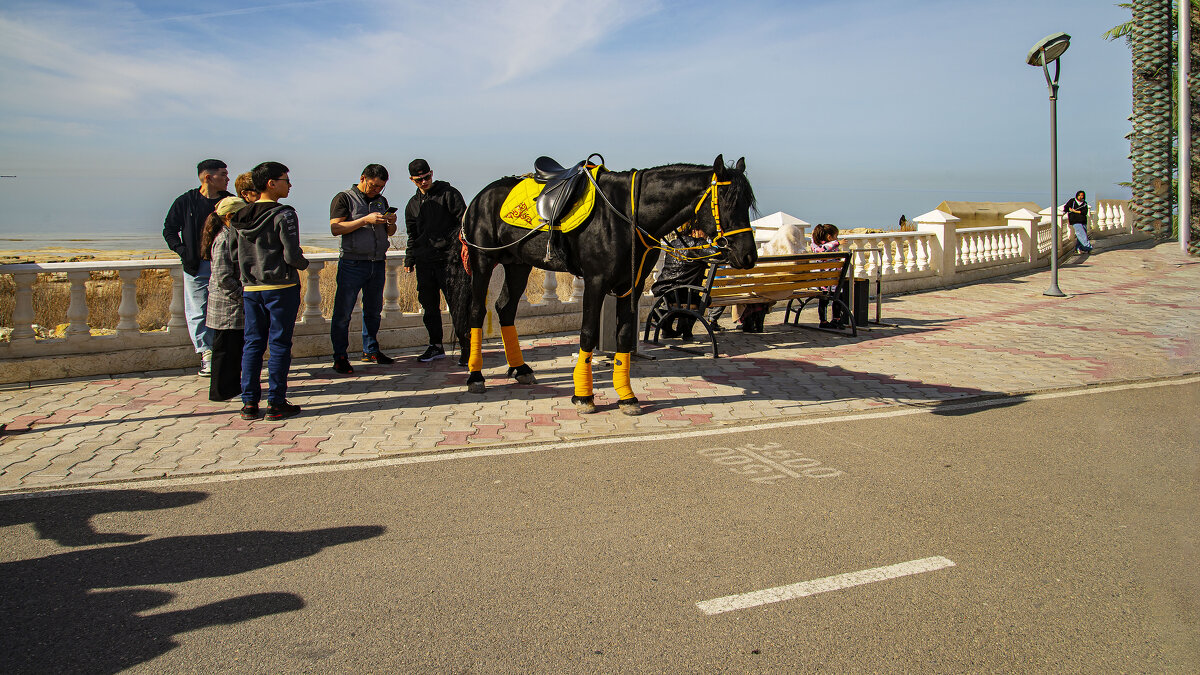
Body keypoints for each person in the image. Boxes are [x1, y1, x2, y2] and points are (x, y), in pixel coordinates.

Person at [230, 162, 309, 421]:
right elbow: (291, 254)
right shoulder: (284, 214)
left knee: (252, 344)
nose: (290, 184)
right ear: (271, 184)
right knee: (279, 344)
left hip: (251, 287)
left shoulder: (240, 216)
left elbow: (233, 254)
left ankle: (249, 403)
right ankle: (276, 402)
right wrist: (303, 264)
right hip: (281, 286)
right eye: (286, 179)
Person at [163, 159, 232, 375]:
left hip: (226, 265)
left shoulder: (230, 202)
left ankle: (226, 354)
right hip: (196, 266)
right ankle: (207, 354)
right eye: (223, 174)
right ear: (208, 177)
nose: (228, 178)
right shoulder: (186, 201)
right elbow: (169, 230)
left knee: (228, 309)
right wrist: (184, 252)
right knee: (198, 310)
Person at [328, 164, 398, 374]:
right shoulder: (344, 198)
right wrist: (364, 220)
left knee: (374, 311)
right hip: (352, 263)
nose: (376, 190)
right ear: (363, 178)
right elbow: (335, 228)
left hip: (377, 263)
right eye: (374, 185)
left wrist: (391, 222)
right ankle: (340, 356)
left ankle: (371, 349)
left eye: (380, 187)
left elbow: (391, 232)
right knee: (343, 313)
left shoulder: (381, 201)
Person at [404, 159, 466, 362]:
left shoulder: (449, 194)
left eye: (427, 177)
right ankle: (436, 346)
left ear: (432, 173)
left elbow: (464, 224)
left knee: (457, 305)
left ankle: (467, 348)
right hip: (424, 262)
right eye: (419, 179)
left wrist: (460, 253)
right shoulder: (412, 205)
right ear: (412, 180)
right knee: (429, 307)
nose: (424, 182)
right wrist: (409, 259)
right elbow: (413, 235)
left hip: (449, 262)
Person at [200, 197, 250, 402]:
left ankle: (229, 388)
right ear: (230, 217)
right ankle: (222, 391)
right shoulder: (223, 240)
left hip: (231, 306)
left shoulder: (230, 235)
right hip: (227, 307)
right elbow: (223, 277)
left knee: (232, 350)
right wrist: (242, 295)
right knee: (225, 351)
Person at [650, 224, 719, 340]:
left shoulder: (673, 244)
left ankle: (670, 328)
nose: (706, 234)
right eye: (704, 231)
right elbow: (718, 253)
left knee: (687, 296)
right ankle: (685, 329)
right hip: (685, 296)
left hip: (666, 293)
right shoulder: (698, 245)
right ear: (695, 231)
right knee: (703, 299)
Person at [809, 223, 846, 328]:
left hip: (825, 282)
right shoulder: (825, 247)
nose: (836, 239)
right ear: (829, 237)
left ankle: (828, 320)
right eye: (835, 236)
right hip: (830, 282)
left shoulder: (816, 246)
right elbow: (821, 249)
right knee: (835, 298)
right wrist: (837, 243)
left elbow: (817, 248)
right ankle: (834, 319)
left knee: (827, 300)